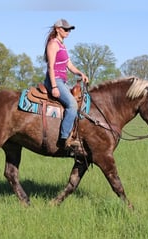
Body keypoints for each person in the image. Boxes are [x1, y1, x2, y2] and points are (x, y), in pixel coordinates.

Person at [43, 18, 89, 149]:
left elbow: (69, 65)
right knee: (72, 105)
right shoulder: (53, 44)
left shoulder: (62, 45)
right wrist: (54, 86)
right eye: (66, 29)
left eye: (69, 29)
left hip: (62, 80)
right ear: (58, 29)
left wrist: (80, 73)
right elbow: (50, 67)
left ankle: (75, 133)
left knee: (79, 101)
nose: (68, 31)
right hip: (55, 80)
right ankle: (65, 138)